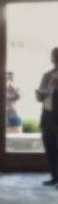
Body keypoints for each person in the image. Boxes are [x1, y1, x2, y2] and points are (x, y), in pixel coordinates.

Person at [36, 47, 58, 186]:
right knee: (50, 147)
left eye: (56, 55)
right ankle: (55, 176)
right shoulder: (46, 75)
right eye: (53, 55)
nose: (54, 57)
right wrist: (40, 94)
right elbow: (40, 96)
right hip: (47, 115)